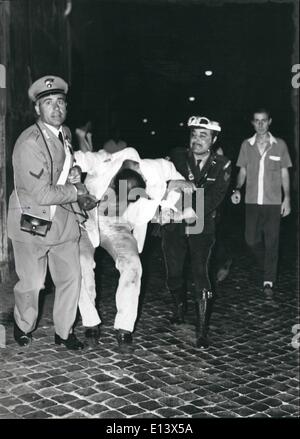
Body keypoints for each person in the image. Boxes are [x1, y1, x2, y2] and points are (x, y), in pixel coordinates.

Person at [74, 127, 191, 352]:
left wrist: (170, 203)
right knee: (81, 262)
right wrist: (76, 169)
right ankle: (90, 323)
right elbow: (80, 159)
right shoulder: (104, 161)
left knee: (133, 265)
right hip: (89, 219)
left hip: (119, 225)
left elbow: (182, 182)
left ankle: (124, 328)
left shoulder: (157, 169)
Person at [7, 75, 97, 349]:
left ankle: (64, 331)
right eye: (48, 103)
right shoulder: (30, 143)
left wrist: (75, 173)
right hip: (32, 218)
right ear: (37, 109)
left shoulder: (66, 133)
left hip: (63, 219)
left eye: (60, 102)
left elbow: (63, 166)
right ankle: (23, 324)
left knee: (71, 277)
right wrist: (79, 191)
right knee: (33, 284)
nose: (56, 108)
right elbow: (42, 194)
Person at [161, 115, 231, 348]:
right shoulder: (177, 157)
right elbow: (163, 179)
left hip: (202, 223)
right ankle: (179, 308)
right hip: (174, 222)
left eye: (203, 136)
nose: (197, 140)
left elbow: (215, 196)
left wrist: (191, 210)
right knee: (174, 270)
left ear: (213, 139)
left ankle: (201, 331)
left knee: (200, 271)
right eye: (194, 135)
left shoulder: (222, 164)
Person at [231, 107, 292, 297]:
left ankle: (268, 281)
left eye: (263, 120)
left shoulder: (280, 144)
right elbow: (242, 171)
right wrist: (237, 189)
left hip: (273, 202)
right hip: (251, 201)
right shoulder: (246, 145)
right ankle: (268, 263)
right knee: (250, 240)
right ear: (252, 123)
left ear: (269, 121)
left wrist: (287, 198)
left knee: (273, 242)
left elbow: (284, 172)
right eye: (256, 120)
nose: (260, 124)